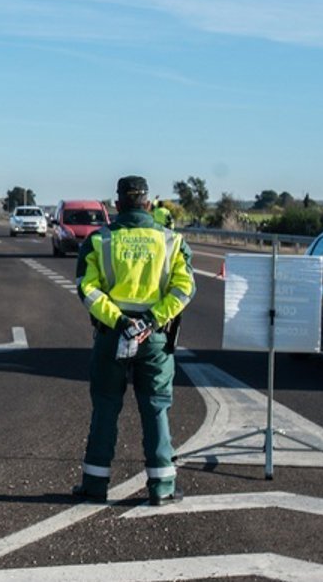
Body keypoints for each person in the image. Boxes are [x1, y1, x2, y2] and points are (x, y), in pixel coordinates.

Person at [72, 176, 195, 506]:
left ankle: (95, 486)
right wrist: (152, 320)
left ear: (117, 205)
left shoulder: (100, 241)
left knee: (105, 408)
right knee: (156, 409)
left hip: (113, 336)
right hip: (154, 337)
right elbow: (184, 289)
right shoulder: (171, 241)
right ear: (149, 204)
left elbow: (87, 288)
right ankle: (162, 488)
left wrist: (121, 321)